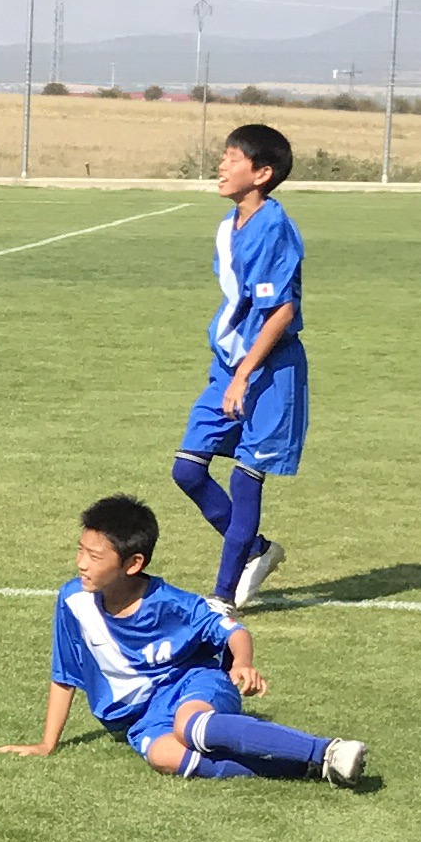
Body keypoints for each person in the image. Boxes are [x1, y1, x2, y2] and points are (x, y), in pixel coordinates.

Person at [1, 493, 365, 785]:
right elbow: (64, 675)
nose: (81, 563)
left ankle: (326, 750)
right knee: (165, 756)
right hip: (142, 718)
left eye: (94, 556)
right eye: (80, 550)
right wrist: (47, 743)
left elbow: (233, 630)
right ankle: (306, 768)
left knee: (188, 725)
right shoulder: (73, 601)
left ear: (133, 564)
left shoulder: (174, 604)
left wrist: (242, 664)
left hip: (195, 684)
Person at [169, 122, 306, 611]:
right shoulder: (229, 226)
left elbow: (281, 311)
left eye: (233, 158)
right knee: (187, 470)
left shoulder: (274, 229)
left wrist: (245, 375)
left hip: (269, 371)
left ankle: (223, 596)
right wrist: (233, 369)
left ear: (262, 173)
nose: (221, 166)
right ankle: (257, 550)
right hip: (229, 366)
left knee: (246, 475)